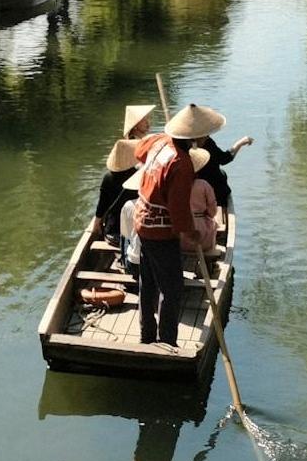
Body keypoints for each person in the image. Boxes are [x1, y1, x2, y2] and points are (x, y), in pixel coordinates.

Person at [134, 103, 219, 347]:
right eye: (204, 134)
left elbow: (139, 151)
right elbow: (179, 208)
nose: (206, 137)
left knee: (148, 282)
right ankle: (167, 341)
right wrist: (190, 231)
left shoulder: (159, 140)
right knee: (172, 289)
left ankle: (147, 335)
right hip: (159, 230)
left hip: (142, 221)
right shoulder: (181, 164)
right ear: (194, 137)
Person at [92, 138, 138, 258]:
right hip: (134, 235)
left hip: (112, 233)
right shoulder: (138, 177)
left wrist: (96, 227)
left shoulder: (108, 177)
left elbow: (101, 207)